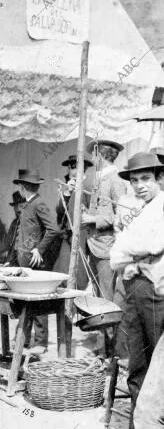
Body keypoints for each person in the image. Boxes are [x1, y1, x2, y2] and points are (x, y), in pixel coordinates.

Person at [110, 152, 164, 429]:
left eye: (146, 178)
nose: (140, 185)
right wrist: (129, 256)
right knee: (137, 362)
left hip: (157, 293)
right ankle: (137, 422)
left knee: (158, 366)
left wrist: (130, 251)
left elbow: (154, 244)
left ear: (160, 178)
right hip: (136, 290)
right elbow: (115, 256)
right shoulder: (143, 210)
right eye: (134, 180)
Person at [13, 169, 60, 353]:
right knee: (25, 301)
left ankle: (40, 342)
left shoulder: (39, 204)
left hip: (34, 261)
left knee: (37, 301)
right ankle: (23, 339)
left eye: (20, 187)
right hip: (23, 259)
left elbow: (53, 229)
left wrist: (39, 249)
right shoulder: (27, 204)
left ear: (23, 187)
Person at [82, 140, 126, 301]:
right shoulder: (99, 179)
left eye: (93, 154)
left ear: (101, 155)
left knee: (106, 295)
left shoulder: (115, 180)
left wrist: (93, 219)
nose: (92, 158)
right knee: (97, 292)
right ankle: (103, 326)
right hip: (93, 245)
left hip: (106, 248)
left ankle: (110, 327)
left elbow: (123, 215)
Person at [53, 154, 93, 289]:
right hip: (68, 234)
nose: (69, 171)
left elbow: (92, 212)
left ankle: (76, 300)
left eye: (71, 168)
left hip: (82, 234)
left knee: (79, 269)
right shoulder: (69, 185)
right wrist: (67, 193)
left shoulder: (89, 186)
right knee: (62, 268)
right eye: (69, 168)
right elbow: (59, 210)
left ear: (81, 168)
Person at [0, 191, 26, 266]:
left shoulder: (33, 221)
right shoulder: (15, 222)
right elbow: (7, 242)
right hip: (14, 259)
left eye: (21, 206)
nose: (18, 209)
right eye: (15, 207)